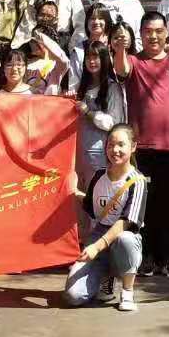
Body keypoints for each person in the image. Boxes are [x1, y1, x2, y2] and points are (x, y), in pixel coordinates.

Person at [112, 11, 169, 279]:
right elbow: (121, 70)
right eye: (148, 31)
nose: (153, 36)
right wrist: (119, 47)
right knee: (144, 205)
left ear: (166, 33)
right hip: (143, 149)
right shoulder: (135, 62)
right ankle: (146, 257)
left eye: (159, 31)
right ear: (141, 34)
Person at [65, 123, 147, 312]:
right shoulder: (99, 175)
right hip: (99, 235)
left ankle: (127, 291)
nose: (114, 150)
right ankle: (104, 276)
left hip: (120, 236)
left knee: (125, 239)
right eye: (110, 145)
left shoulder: (138, 181)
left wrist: (96, 246)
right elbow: (92, 209)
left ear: (133, 147)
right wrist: (74, 191)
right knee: (73, 296)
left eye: (121, 145)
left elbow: (126, 222)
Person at [73, 42, 127, 176]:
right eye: (88, 57)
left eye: (95, 57)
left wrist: (88, 112)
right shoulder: (82, 87)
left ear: (104, 59)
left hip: (99, 154)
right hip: (79, 154)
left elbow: (112, 123)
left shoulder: (112, 88)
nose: (91, 61)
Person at [70, 3, 115, 77]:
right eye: (92, 18)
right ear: (87, 22)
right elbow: (74, 80)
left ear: (107, 21)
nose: (96, 22)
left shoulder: (114, 47)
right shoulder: (79, 50)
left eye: (100, 18)